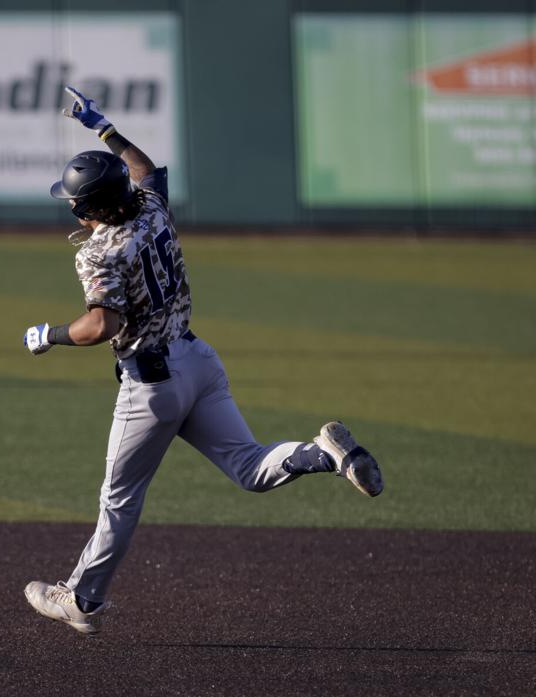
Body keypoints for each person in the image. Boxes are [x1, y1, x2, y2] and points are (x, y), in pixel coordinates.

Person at [21, 87, 384, 636]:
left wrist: (49, 335)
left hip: (153, 387)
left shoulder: (99, 251)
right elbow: (143, 166)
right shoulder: (151, 207)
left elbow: (103, 325)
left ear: (94, 207)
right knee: (251, 469)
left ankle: (82, 601)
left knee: (118, 501)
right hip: (198, 360)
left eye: (74, 201)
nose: (69, 207)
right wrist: (100, 124)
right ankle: (322, 454)